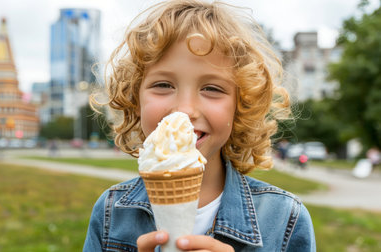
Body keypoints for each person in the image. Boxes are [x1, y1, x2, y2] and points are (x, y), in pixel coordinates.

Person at [84, 1, 315, 251]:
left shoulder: (284, 218)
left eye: (212, 89)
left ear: (240, 105)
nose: (185, 109)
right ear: (135, 98)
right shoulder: (110, 213)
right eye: (163, 85)